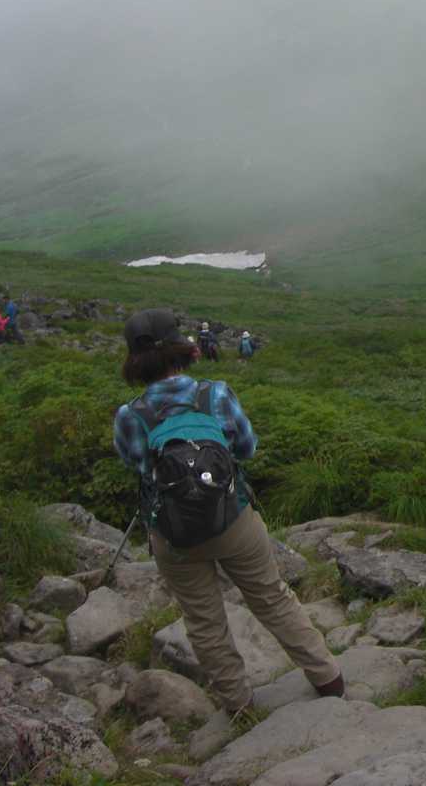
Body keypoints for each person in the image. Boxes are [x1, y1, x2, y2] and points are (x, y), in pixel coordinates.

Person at [112, 308, 342, 719]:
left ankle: (239, 709)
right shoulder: (215, 395)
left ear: (135, 359)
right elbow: (246, 448)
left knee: (203, 621)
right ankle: (329, 680)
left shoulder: (130, 415)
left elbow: (137, 464)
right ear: (180, 348)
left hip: (173, 535)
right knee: (272, 598)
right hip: (233, 519)